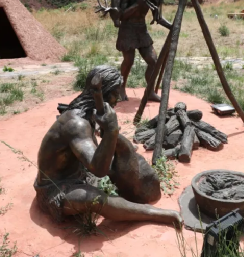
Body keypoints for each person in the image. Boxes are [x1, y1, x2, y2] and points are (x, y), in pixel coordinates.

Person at [34, 65, 182, 227]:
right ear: (102, 93)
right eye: (114, 93)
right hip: (55, 189)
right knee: (94, 199)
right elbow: (98, 170)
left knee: (118, 159)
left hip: (81, 173)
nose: (118, 98)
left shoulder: (88, 114)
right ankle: (153, 214)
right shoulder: (76, 124)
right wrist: (111, 130)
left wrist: (113, 137)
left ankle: (132, 198)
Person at [106, 0, 172, 102]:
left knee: (153, 61)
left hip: (142, 29)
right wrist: (137, 5)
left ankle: (150, 92)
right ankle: (121, 88)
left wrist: (172, 26)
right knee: (129, 60)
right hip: (127, 29)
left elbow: (158, 17)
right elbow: (120, 17)